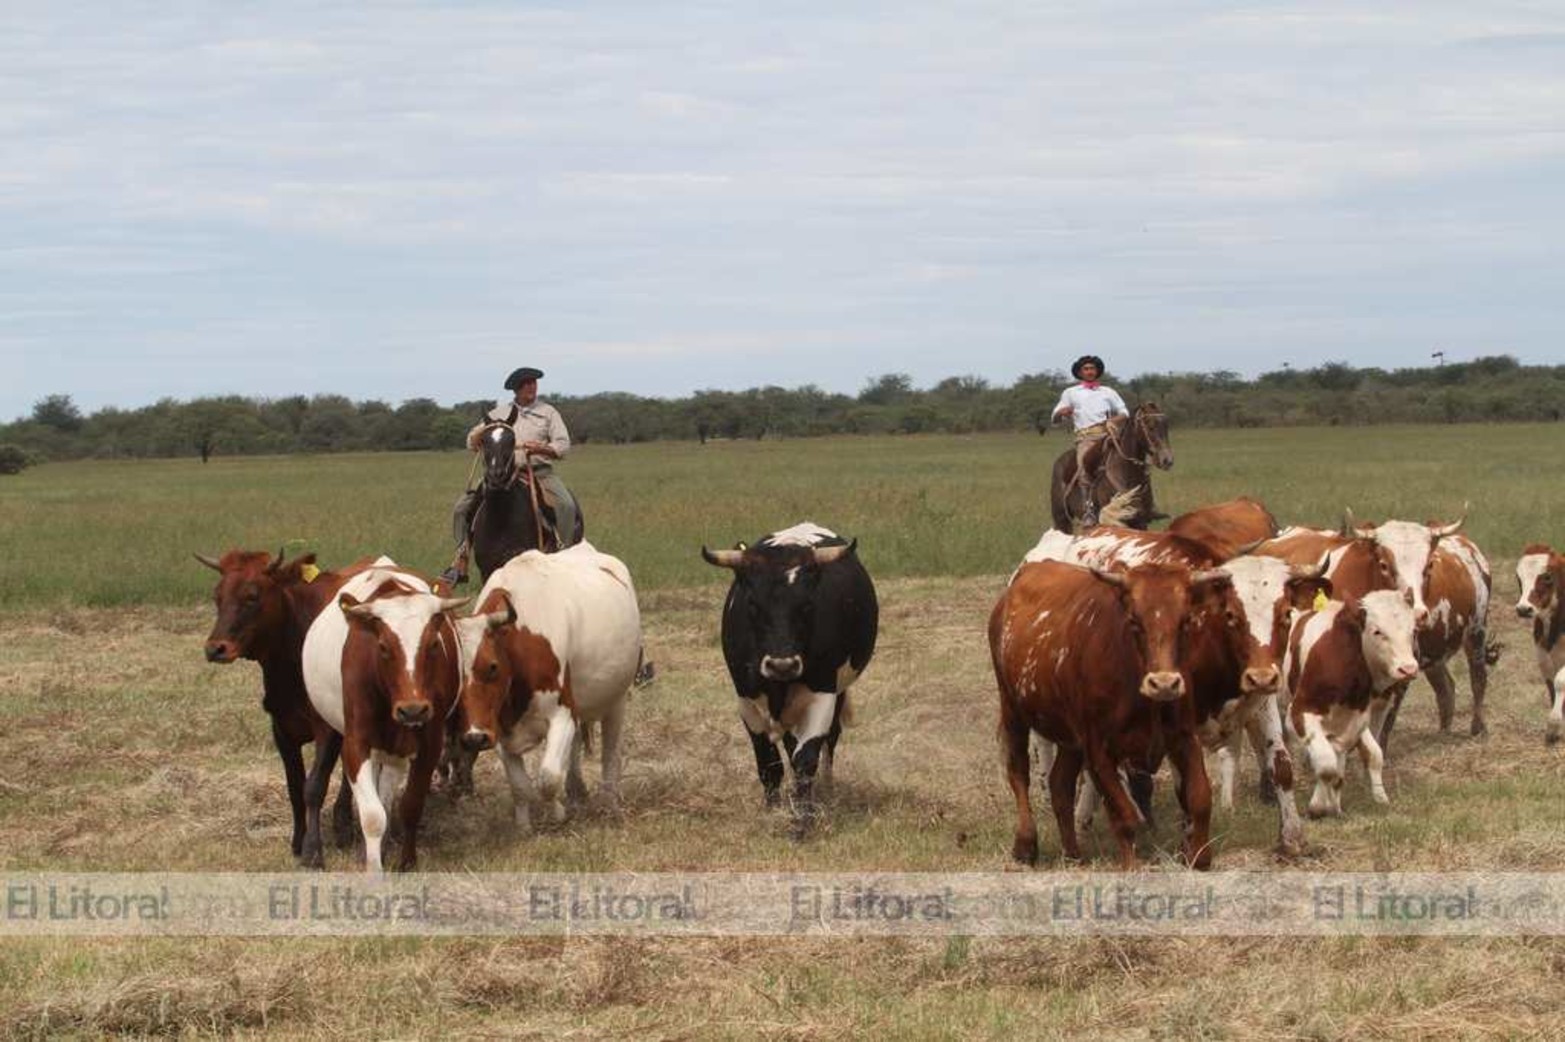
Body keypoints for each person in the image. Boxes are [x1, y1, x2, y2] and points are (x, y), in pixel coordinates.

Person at [440, 366, 579, 586]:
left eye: (533, 383)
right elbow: (471, 442)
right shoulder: (497, 414)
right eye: (526, 384)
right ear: (516, 389)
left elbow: (563, 445)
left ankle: (567, 557)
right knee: (461, 508)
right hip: (500, 473)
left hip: (538, 472)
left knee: (566, 505)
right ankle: (460, 560)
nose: (531, 387)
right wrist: (483, 433)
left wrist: (542, 448)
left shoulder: (548, 412)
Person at [1051, 354, 1128, 526]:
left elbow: (1124, 412)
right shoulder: (1070, 393)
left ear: (1097, 371)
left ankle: (1143, 504)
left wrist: (1113, 421)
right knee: (1084, 467)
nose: (1090, 372)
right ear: (1080, 372)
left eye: (1092, 368)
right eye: (1086, 369)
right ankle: (1089, 510)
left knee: (1132, 460)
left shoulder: (1108, 392)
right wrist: (1060, 413)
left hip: (1109, 436)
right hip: (1086, 438)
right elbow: (1054, 418)